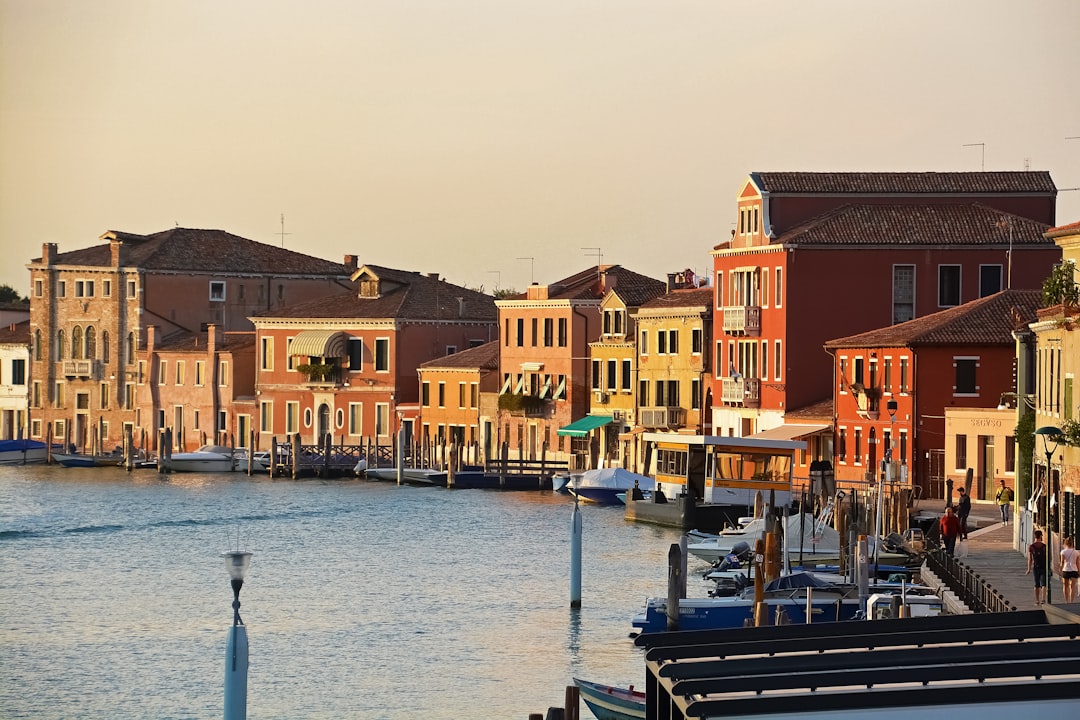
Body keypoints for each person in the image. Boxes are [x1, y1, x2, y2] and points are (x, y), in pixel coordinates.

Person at [1026, 529, 1048, 605]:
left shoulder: (1031, 547)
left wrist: (1028, 569)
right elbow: (1048, 557)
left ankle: (1037, 600)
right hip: (1044, 566)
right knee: (1044, 584)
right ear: (1041, 536)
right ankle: (1043, 600)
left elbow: (1029, 559)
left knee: (1036, 584)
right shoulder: (1045, 546)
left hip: (1036, 567)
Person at [1060, 536, 1079, 604]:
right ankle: (1071, 601)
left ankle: (1066, 601)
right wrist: (1079, 571)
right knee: (1072, 587)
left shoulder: (1063, 552)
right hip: (1074, 570)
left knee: (1065, 586)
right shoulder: (1076, 552)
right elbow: (1077, 563)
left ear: (1065, 543)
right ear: (1072, 543)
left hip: (1066, 569)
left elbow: (1062, 562)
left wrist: (1060, 569)